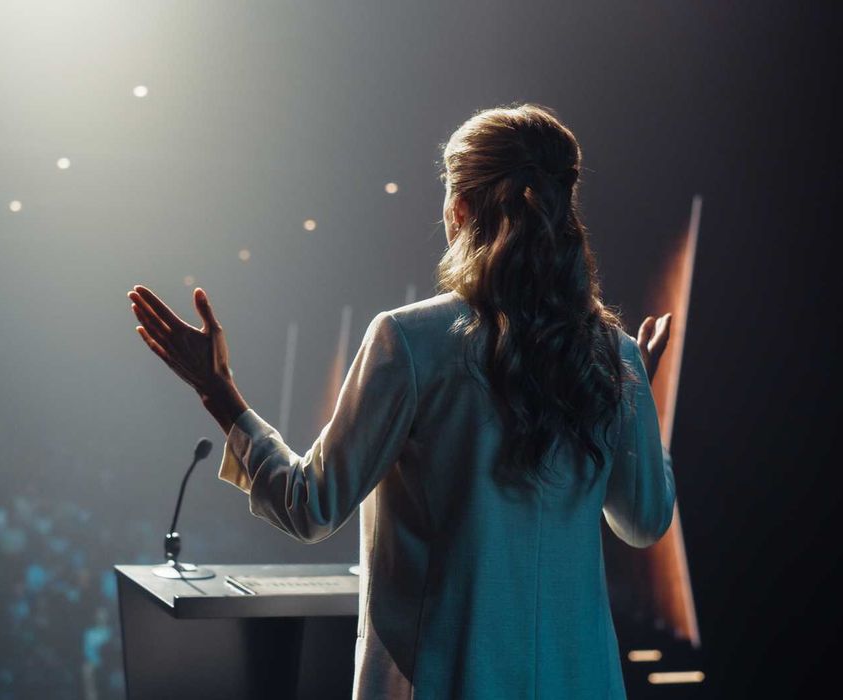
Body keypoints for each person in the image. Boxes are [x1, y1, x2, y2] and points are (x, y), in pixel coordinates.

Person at [126, 103, 676, 699]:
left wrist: (218, 391)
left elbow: (312, 506)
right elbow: (643, 521)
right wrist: (632, 391)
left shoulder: (410, 341)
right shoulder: (611, 355)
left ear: (460, 208)